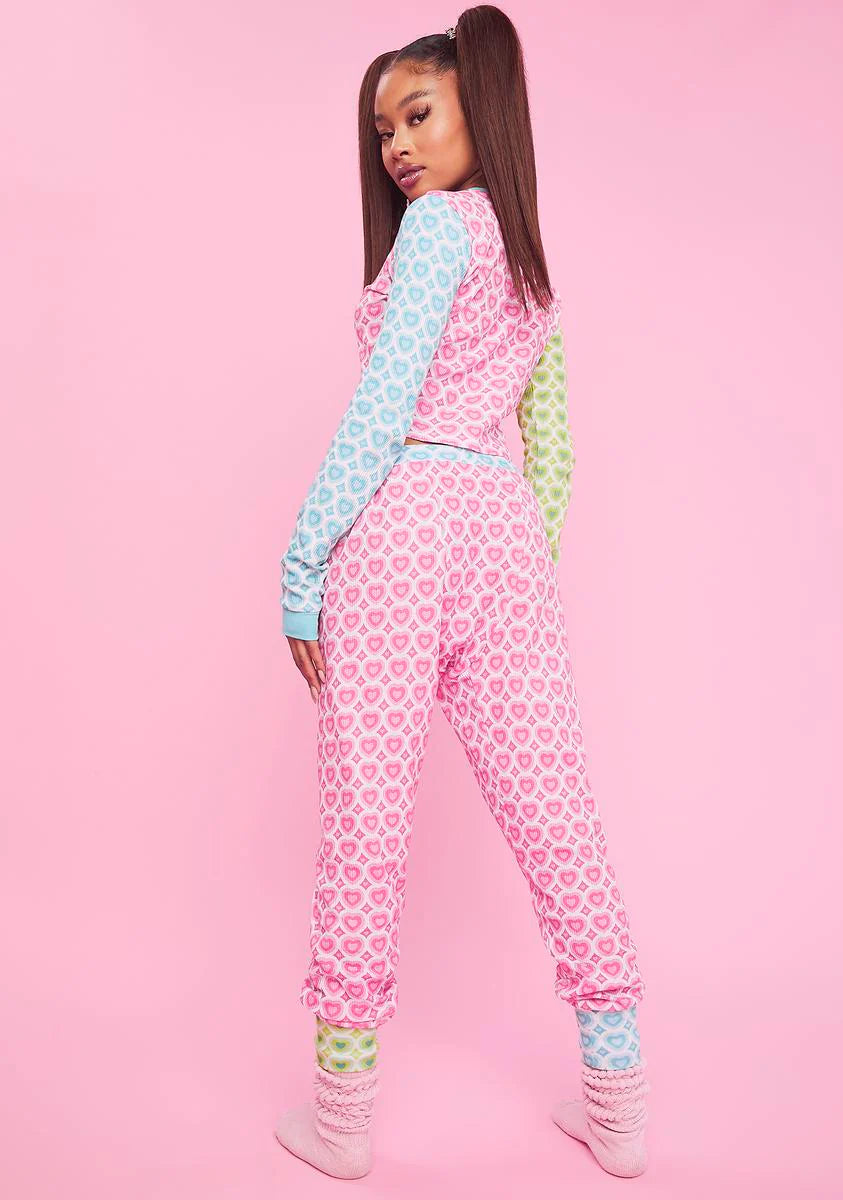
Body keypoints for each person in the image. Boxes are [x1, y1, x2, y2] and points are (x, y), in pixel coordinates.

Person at [274, 6, 651, 1181]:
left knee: (366, 826)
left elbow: (387, 404)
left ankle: (342, 1120)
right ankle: (619, 1105)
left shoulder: (437, 229)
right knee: (561, 820)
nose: (396, 144)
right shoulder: (533, 269)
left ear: (477, 107)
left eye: (417, 113)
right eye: (383, 128)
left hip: (404, 526)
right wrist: (515, 567)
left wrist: (302, 562)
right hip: (501, 536)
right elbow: (555, 458)